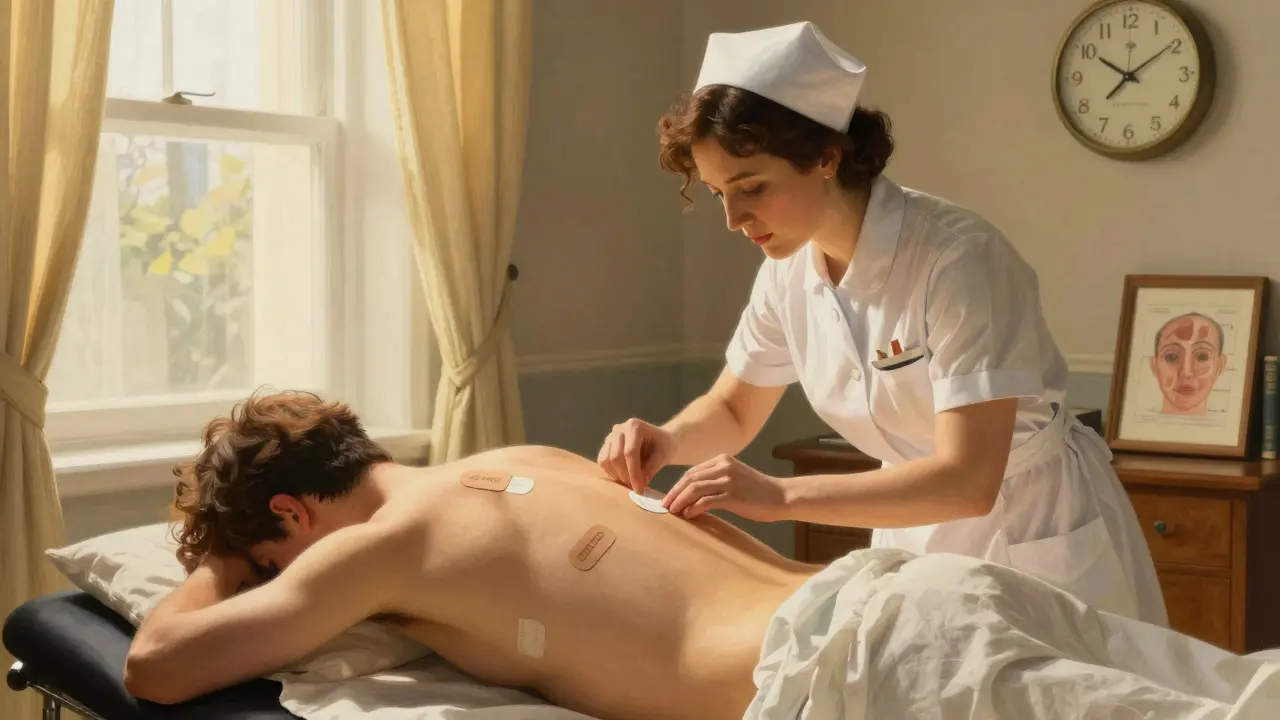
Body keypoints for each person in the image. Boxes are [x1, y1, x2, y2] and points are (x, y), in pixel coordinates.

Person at [122, 390, 1277, 719]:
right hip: (916, 591)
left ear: (289, 514)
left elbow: (156, 668)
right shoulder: (530, 454)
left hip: (865, 673)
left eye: (270, 552)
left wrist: (228, 562)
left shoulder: (369, 548)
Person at [595, 20, 1167, 626]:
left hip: (1030, 527)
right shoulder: (789, 268)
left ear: (825, 157)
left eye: (752, 187)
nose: (735, 218)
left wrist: (782, 496)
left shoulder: (958, 260)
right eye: (717, 194)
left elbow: (970, 480)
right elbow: (736, 410)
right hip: (913, 529)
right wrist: (668, 440)